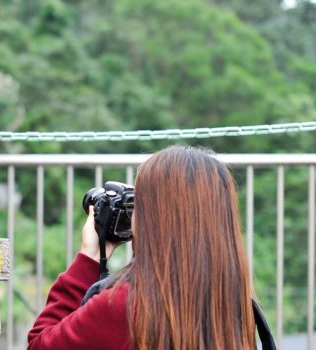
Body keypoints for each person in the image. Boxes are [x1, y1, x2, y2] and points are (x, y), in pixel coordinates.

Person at [28, 145, 256, 349]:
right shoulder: (233, 299)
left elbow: (39, 344)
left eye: (138, 204)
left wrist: (90, 257)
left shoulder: (125, 305)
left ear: (153, 217)